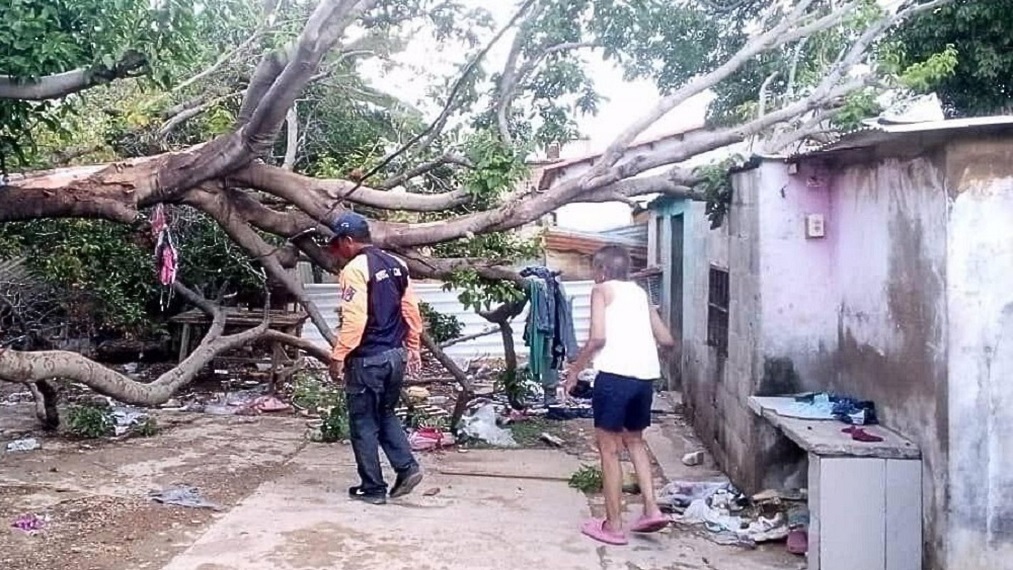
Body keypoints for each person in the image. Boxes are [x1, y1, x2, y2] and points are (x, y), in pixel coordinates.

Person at [563, 245, 677, 545]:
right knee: (636, 441)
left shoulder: (601, 290)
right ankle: (651, 509)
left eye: (593, 271)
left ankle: (613, 526)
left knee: (609, 450)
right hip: (644, 378)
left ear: (601, 271)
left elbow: (598, 336)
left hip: (614, 377)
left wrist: (575, 369)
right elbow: (667, 339)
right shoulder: (640, 293)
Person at [327, 211, 425, 505]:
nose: (337, 251)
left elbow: (355, 320)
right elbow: (410, 310)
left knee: (363, 424)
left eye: (338, 244)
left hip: (368, 359)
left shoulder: (355, 270)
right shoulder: (397, 264)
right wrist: (413, 346)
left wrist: (338, 356)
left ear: (348, 240)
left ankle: (372, 488)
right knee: (385, 413)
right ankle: (407, 468)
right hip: (395, 355)